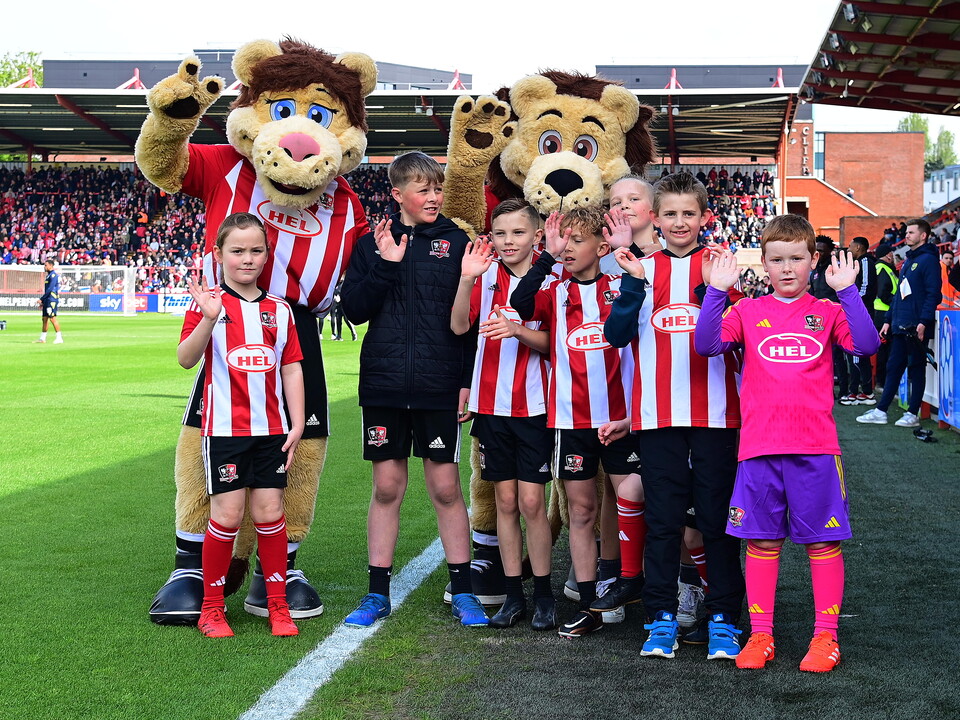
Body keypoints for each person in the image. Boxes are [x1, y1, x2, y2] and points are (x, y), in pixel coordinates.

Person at [695, 215, 879, 672]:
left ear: (814, 261)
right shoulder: (748, 312)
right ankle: (761, 636)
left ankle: (825, 637)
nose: (788, 268)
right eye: (777, 260)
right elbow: (706, 345)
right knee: (761, 543)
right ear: (764, 263)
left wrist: (848, 292)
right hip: (758, 449)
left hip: (815, 449)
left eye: (797, 258)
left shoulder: (830, 310)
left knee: (822, 545)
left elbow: (868, 345)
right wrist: (717, 291)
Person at [339, 151, 488, 628]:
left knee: (445, 488)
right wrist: (385, 264)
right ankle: (376, 593)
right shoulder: (372, 243)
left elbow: (468, 322)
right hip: (383, 386)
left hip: (438, 383)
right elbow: (356, 311)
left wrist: (465, 381)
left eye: (437, 188)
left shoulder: (457, 241)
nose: (433, 196)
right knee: (386, 487)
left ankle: (463, 590)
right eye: (423, 189)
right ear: (398, 194)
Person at [605, 171, 744, 661]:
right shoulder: (641, 267)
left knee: (715, 520)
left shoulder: (719, 266)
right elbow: (618, 335)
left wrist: (720, 292)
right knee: (663, 521)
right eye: (670, 213)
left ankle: (725, 617)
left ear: (705, 217)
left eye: (689, 213)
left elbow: (738, 337)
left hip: (716, 415)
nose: (680, 221)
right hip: (657, 416)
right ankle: (661, 617)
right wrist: (631, 286)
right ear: (655, 218)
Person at [511, 206, 643, 639]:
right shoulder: (554, 289)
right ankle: (590, 603)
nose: (567, 247)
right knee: (582, 511)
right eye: (562, 239)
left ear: (602, 248)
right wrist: (546, 256)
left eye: (576, 241)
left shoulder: (621, 285)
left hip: (621, 419)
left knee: (633, 498)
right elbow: (519, 303)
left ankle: (632, 583)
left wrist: (629, 249)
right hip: (570, 421)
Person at [177, 212, 305, 638]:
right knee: (227, 516)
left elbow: (290, 369)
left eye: (255, 251)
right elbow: (186, 358)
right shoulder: (208, 303)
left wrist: (298, 420)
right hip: (225, 432)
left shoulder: (279, 310)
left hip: (271, 432)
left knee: (270, 514)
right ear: (219, 254)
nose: (246, 259)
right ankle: (211, 609)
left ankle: (278, 606)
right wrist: (210, 318)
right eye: (237, 251)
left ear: (267, 255)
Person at [450, 198, 556, 630]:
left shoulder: (552, 277)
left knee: (532, 502)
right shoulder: (484, 274)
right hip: (491, 406)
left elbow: (554, 344)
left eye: (518, 232)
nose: (509, 241)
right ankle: (513, 596)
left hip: (535, 406)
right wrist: (464, 281)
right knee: (506, 501)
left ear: (537, 235)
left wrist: (516, 330)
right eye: (500, 233)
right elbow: (459, 327)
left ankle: (545, 595)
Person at [857, 219, 941, 428]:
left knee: (916, 368)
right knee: (893, 367)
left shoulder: (928, 260)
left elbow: (933, 294)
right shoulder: (907, 262)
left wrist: (923, 321)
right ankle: (881, 410)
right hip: (900, 324)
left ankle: (912, 414)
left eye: (911, 232)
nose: (907, 236)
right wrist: (888, 321)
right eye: (907, 232)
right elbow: (898, 296)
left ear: (923, 236)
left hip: (915, 327)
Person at [839, 237, 878, 405]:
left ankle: (860, 391)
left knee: (856, 353)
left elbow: (867, 287)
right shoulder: (859, 262)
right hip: (857, 310)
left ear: (859, 247)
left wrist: (851, 302)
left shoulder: (866, 262)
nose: (849, 249)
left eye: (850, 246)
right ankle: (860, 391)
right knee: (854, 354)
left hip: (862, 312)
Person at [872, 242, 898, 389]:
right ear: (888, 255)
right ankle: (882, 382)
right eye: (891, 253)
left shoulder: (885, 268)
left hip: (885, 313)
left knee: (886, 350)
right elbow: (883, 293)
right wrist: (898, 304)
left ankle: (884, 381)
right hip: (883, 314)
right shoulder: (882, 268)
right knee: (884, 350)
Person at [35, 259, 63, 344]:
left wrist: (41, 299)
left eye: (46, 265)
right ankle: (42, 338)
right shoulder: (48, 275)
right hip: (47, 299)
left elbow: (50, 289)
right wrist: (44, 302)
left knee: (52, 318)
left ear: (51, 265)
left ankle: (59, 338)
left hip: (51, 299)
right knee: (44, 319)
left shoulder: (53, 275)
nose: (44, 267)